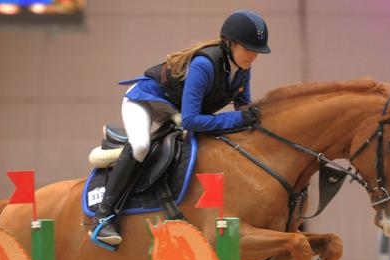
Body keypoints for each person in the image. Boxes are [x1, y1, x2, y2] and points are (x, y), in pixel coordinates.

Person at [92, 10, 270, 246]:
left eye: (256, 51)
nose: (252, 56)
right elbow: (192, 121)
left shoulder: (242, 69)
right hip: (145, 102)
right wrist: (240, 120)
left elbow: (243, 110)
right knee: (142, 146)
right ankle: (103, 216)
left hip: (173, 112)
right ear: (230, 43)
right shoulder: (204, 65)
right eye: (248, 49)